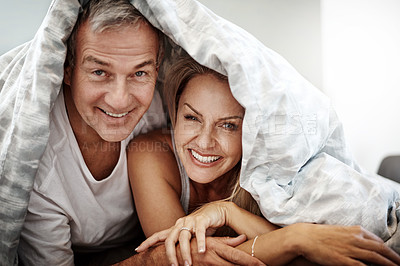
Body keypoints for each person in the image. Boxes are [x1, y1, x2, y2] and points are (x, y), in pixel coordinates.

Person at [16, 1, 263, 265]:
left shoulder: (160, 107)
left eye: (139, 73)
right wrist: (154, 258)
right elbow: (184, 255)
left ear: (157, 71)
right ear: (66, 70)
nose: (120, 100)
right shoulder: (35, 164)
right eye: (99, 72)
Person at [127, 56, 400, 266]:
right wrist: (297, 238)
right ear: (175, 114)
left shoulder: (265, 163)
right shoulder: (149, 154)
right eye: (192, 118)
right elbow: (185, 257)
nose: (205, 142)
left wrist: (228, 211)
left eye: (228, 126)